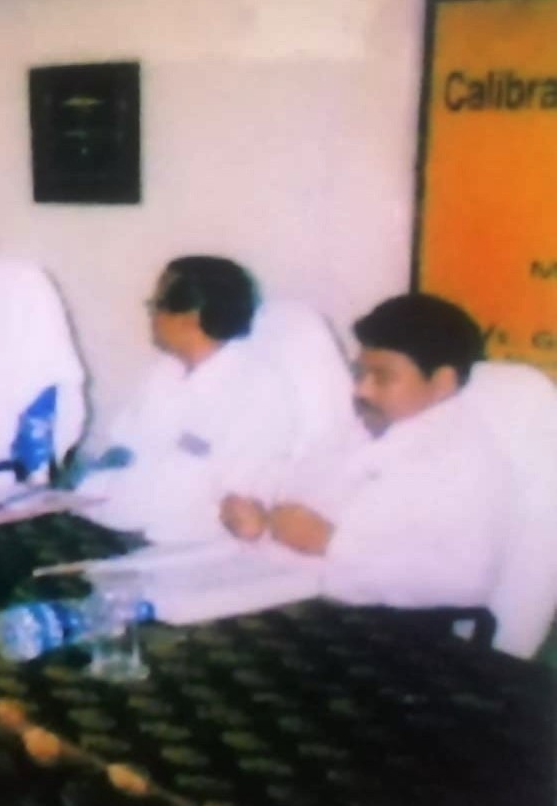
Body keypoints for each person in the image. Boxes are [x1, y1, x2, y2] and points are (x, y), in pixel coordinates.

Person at [220, 293, 514, 613]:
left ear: (443, 382)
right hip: (287, 594)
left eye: (383, 378)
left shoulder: (463, 460)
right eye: (359, 373)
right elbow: (299, 506)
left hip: (379, 626)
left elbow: (467, 582)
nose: (361, 390)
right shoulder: (366, 430)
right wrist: (259, 521)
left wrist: (331, 543)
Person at [75, 256, 297, 543]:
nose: (151, 316)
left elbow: (222, 500)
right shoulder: (165, 372)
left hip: (165, 542)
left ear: (189, 318)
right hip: (101, 518)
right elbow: (120, 448)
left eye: (156, 305)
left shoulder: (257, 391)